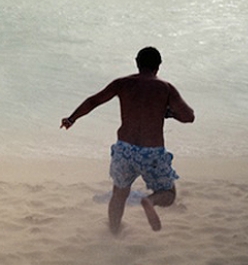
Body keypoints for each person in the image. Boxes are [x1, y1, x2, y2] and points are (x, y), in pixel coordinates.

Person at [60, 47, 194, 233]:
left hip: (125, 150)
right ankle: (150, 201)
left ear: (137, 63)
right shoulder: (165, 88)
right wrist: (168, 113)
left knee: (119, 194)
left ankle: (114, 232)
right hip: (151, 152)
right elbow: (189, 116)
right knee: (169, 194)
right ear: (158, 66)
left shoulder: (122, 84)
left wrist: (71, 118)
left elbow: (93, 101)